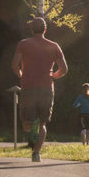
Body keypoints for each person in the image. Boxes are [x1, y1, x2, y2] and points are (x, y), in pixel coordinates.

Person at [11, 16, 68, 162]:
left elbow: (14, 65)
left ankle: (31, 133)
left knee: (26, 121)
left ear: (31, 29)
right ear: (45, 29)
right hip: (46, 87)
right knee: (43, 122)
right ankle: (36, 153)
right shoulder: (54, 46)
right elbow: (64, 69)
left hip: (28, 86)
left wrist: (22, 75)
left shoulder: (23, 44)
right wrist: (54, 76)